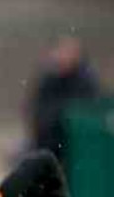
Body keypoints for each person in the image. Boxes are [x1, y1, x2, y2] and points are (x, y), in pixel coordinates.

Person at [27, 37, 99, 170]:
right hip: (47, 140)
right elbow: (36, 109)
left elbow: (85, 111)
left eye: (68, 53)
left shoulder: (85, 81)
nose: (63, 57)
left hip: (73, 144)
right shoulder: (48, 79)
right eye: (61, 52)